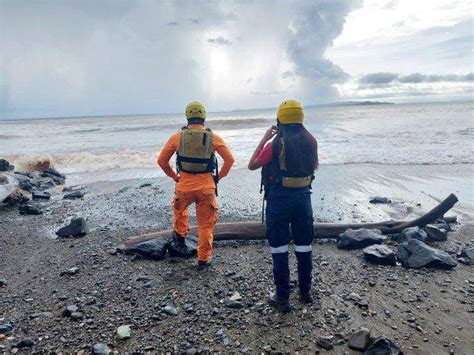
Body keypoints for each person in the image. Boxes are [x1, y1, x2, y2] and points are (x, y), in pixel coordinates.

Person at [248, 99, 318, 312]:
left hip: (279, 200)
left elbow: (252, 165)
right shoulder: (311, 142)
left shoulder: (274, 145)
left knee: (279, 248)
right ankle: (306, 293)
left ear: (280, 119)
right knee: (304, 246)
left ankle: (282, 298)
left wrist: (263, 139)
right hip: (303, 199)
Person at [158, 101, 235, 270]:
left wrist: (174, 176)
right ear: (204, 117)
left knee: (179, 211)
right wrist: (218, 178)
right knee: (205, 225)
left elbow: (161, 161)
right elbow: (229, 160)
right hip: (206, 188)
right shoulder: (212, 137)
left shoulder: (177, 137)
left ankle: (179, 242)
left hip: (183, 187)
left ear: (187, 117)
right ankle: (203, 260)